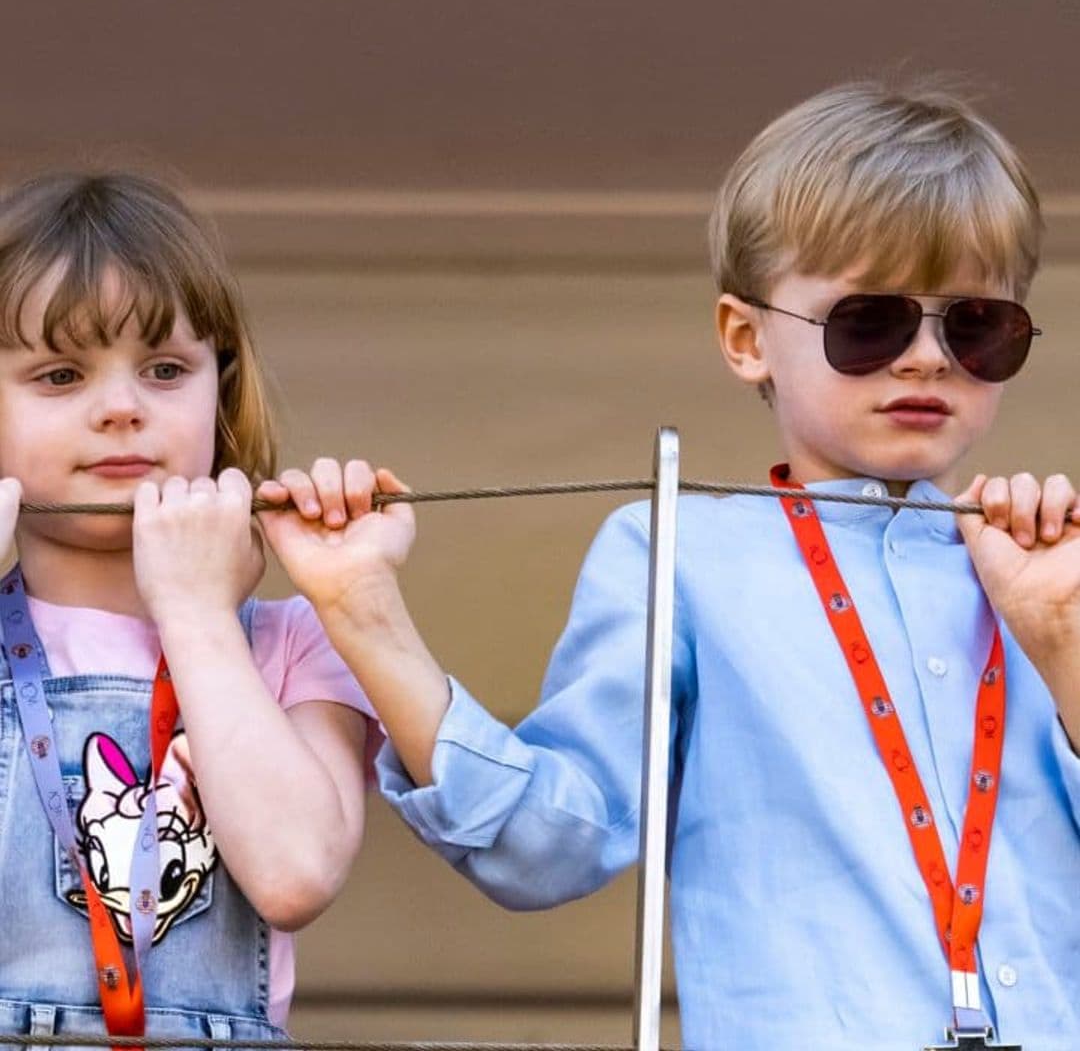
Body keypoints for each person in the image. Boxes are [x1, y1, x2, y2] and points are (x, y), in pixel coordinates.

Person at [261, 82, 1080, 1050]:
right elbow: (543, 850)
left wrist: (1062, 643)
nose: (927, 358)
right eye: (872, 321)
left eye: (977, 326)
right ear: (745, 339)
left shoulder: (1051, 567)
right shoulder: (679, 554)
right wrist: (362, 605)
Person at [0, 173, 375, 1045]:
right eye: (60, 375)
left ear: (221, 384)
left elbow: (294, 875)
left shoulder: (293, 641)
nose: (123, 409)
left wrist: (199, 619)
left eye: (167, 369)